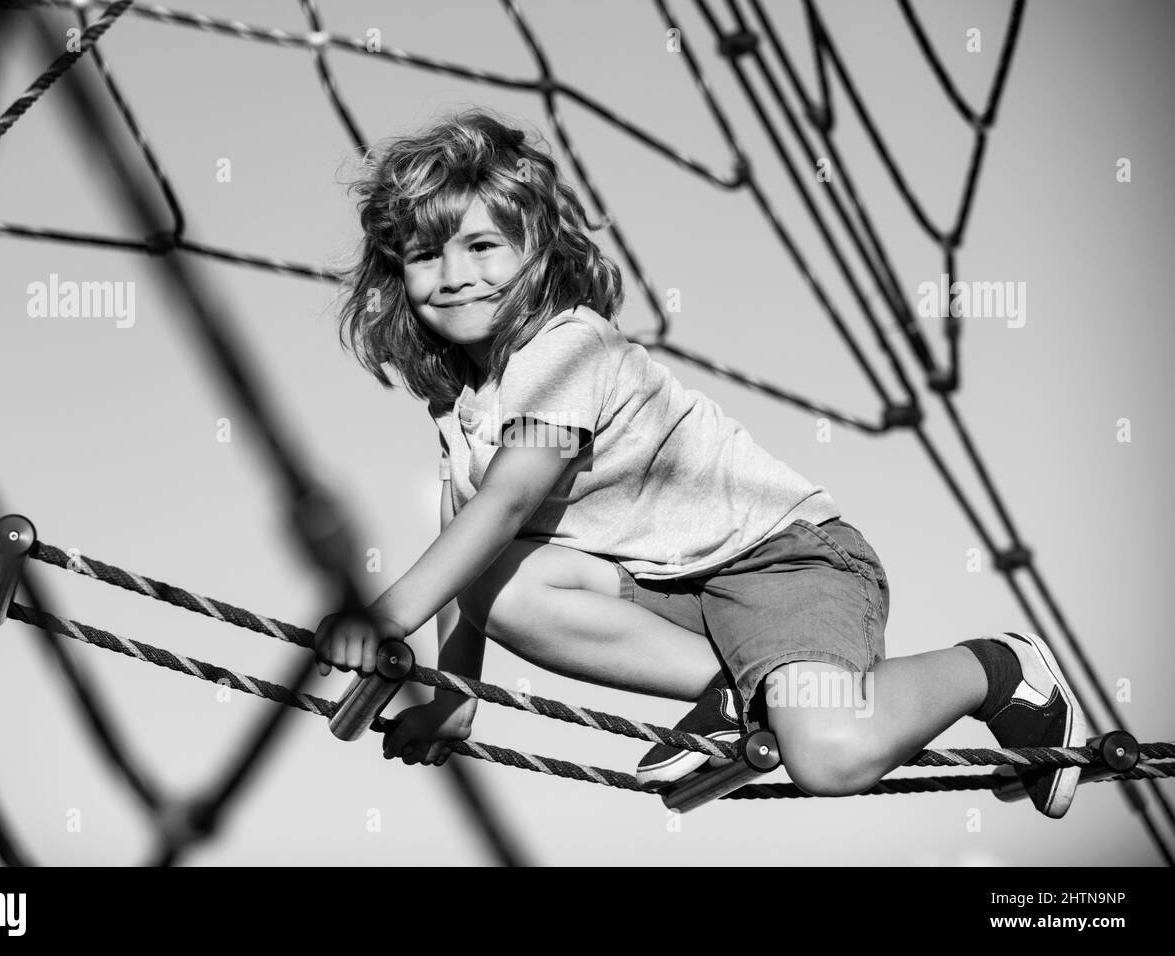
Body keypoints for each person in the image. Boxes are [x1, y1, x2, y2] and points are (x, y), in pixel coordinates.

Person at [312, 108, 1085, 817]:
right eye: (424, 256)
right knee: (497, 581)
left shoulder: (568, 349)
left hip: (784, 563)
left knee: (829, 757)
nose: (452, 276)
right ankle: (739, 693)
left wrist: (382, 616)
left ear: (538, 253)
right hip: (672, 591)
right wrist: (454, 694)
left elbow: (506, 505)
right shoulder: (463, 403)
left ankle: (998, 669)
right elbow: (470, 545)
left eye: (482, 246)